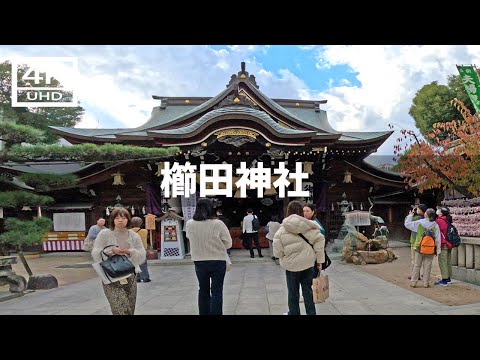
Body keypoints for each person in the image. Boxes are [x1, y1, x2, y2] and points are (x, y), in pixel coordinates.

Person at [273, 200, 325, 315]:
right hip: (308, 264)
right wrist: (320, 261)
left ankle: (294, 312)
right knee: (308, 291)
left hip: (291, 267)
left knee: (293, 293)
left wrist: (284, 258)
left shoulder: (281, 230)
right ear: (301, 212)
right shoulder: (309, 226)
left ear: (288, 212)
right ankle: (311, 313)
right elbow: (319, 241)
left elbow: (277, 252)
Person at [91, 207, 146, 315]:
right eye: (117, 218)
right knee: (119, 306)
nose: (120, 220)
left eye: (123, 217)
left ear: (128, 220)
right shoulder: (104, 234)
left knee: (130, 306)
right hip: (111, 274)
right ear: (112, 220)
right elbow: (96, 252)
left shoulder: (134, 235)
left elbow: (142, 254)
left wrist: (129, 251)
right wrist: (111, 250)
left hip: (130, 273)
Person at [186, 198, 232, 315]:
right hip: (217, 260)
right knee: (217, 291)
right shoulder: (218, 223)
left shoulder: (190, 224)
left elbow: (189, 237)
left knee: (203, 290)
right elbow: (228, 243)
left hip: (199, 261)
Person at [404, 208, 441, 288]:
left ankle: (414, 282)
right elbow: (438, 239)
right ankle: (426, 283)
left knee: (417, 265)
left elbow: (407, 224)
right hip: (431, 248)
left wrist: (410, 215)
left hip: (419, 247)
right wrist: (438, 250)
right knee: (427, 266)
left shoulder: (420, 223)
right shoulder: (435, 225)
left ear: (426, 214)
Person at [405, 204, 427, 279]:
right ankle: (425, 274)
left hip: (415, 241)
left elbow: (407, 223)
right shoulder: (427, 219)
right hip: (426, 242)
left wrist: (410, 215)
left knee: (415, 259)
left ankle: (415, 275)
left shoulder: (416, 218)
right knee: (425, 260)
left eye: (417, 209)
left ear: (420, 210)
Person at [434, 207, 453, 286]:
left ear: (441, 213)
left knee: (442, 261)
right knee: (448, 261)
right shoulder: (447, 219)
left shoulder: (439, 220)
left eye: (439, 210)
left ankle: (444, 279)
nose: (437, 210)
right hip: (449, 243)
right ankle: (448, 278)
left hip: (443, 243)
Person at [131, 216, 151, 283]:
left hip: (133, 250)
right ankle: (145, 277)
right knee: (143, 264)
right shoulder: (145, 231)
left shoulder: (129, 231)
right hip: (142, 249)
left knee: (135, 264)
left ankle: (137, 278)